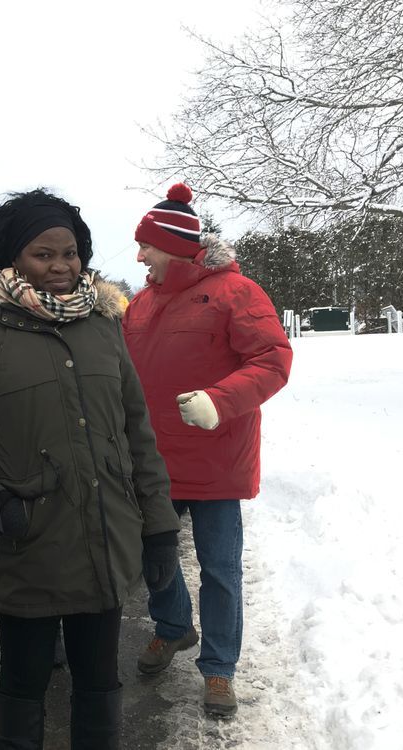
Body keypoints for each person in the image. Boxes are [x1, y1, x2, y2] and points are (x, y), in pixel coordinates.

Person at [0, 188, 180, 750]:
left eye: (70, 252)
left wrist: (160, 525)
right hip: (29, 542)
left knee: (99, 680)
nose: (62, 266)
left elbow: (137, 429)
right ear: (12, 258)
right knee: (24, 683)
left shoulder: (101, 322)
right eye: (44, 254)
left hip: (106, 536)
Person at [123, 183, 293, 718]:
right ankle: (173, 627)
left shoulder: (236, 292)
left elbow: (273, 360)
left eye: (145, 245)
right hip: (154, 463)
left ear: (171, 246)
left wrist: (220, 401)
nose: (138, 255)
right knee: (154, 556)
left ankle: (219, 668)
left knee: (220, 569)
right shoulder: (142, 302)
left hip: (216, 459)